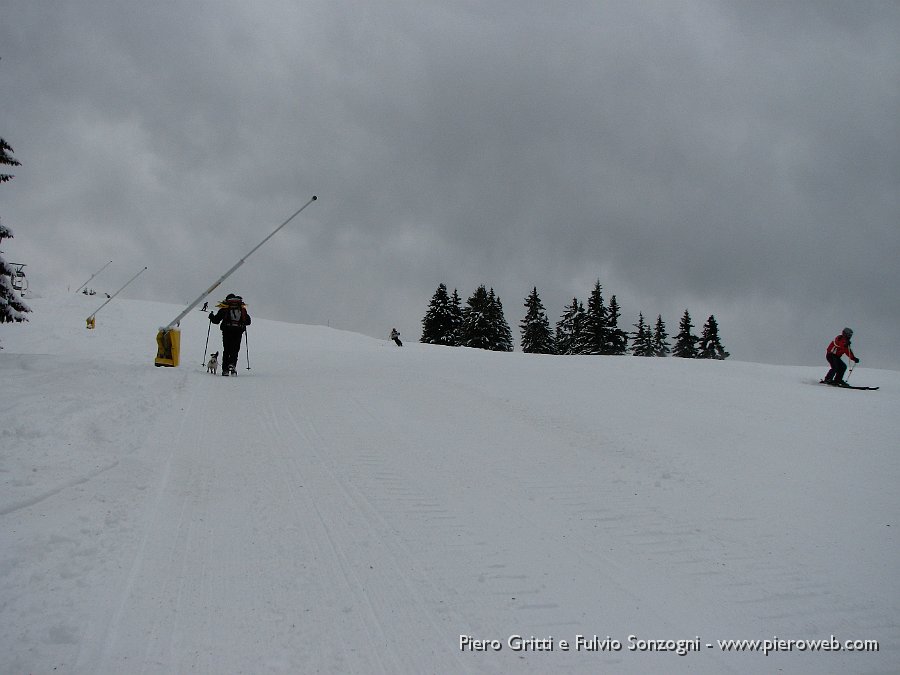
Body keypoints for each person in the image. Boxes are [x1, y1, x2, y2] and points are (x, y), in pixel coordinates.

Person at [209, 293, 251, 375]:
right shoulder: (241, 308)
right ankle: (232, 365)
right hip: (238, 331)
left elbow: (216, 320)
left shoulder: (225, 308)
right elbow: (248, 322)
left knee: (226, 350)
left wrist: (211, 316)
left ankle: (225, 370)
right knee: (235, 350)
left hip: (227, 331)